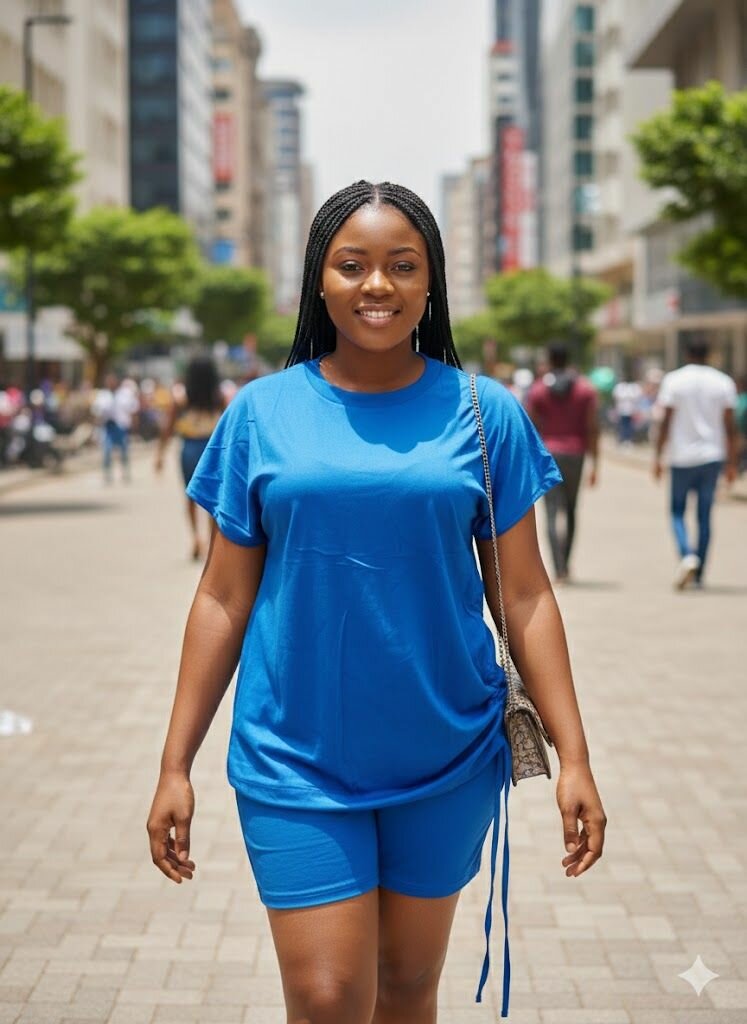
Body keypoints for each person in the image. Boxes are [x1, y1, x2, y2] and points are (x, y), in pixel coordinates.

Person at [146, 181, 607, 1022]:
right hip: (294, 753)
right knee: (326, 999)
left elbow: (528, 596)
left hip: (445, 751)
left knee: (403, 990)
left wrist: (573, 757)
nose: (377, 286)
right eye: (351, 265)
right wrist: (174, 764)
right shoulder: (261, 413)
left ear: (430, 283)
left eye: (402, 265)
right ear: (318, 281)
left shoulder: (484, 412)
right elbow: (220, 597)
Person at [653, 338, 738, 590]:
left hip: (681, 457)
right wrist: (732, 462)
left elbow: (665, 421)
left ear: (687, 354)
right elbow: (730, 426)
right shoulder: (723, 382)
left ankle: (687, 554)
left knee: (677, 511)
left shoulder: (674, 380)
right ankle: (699, 573)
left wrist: (658, 456)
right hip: (712, 456)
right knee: (704, 515)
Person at [525, 343, 599, 583]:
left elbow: (530, 427)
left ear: (549, 359)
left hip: (548, 455)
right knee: (571, 510)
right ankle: (567, 564)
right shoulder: (585, 390)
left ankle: (557, 569)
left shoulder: (538, 390)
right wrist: (596, 462)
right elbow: (592, 427)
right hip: (576, 454)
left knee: (551, 512)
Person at [154, 356, 225, 561]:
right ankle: (212, 541)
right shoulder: (218, 396)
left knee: (190, 496)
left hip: (190, 447)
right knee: (214, 497)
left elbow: (168, 427)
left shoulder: (181, 396)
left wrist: (160, 454)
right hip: (213, 448)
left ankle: (195, 538)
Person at [92, 373, 139, 483]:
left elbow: (133, 409)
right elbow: (96, 411)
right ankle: (107, 475)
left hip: (121, 426)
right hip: (108, 427)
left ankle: (125, 473)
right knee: (107, 451)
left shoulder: (125, 394)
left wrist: (134, 424)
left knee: (124, 451)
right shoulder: (102, 395)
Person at [612, 377, 643, 445]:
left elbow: (637, 397)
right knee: (622, 425)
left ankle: (628, 439)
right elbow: (617, 396)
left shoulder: (635, 387)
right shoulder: (620, 386)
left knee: (630, 426)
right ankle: (622, 439)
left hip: (632, 410)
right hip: (622, 410)